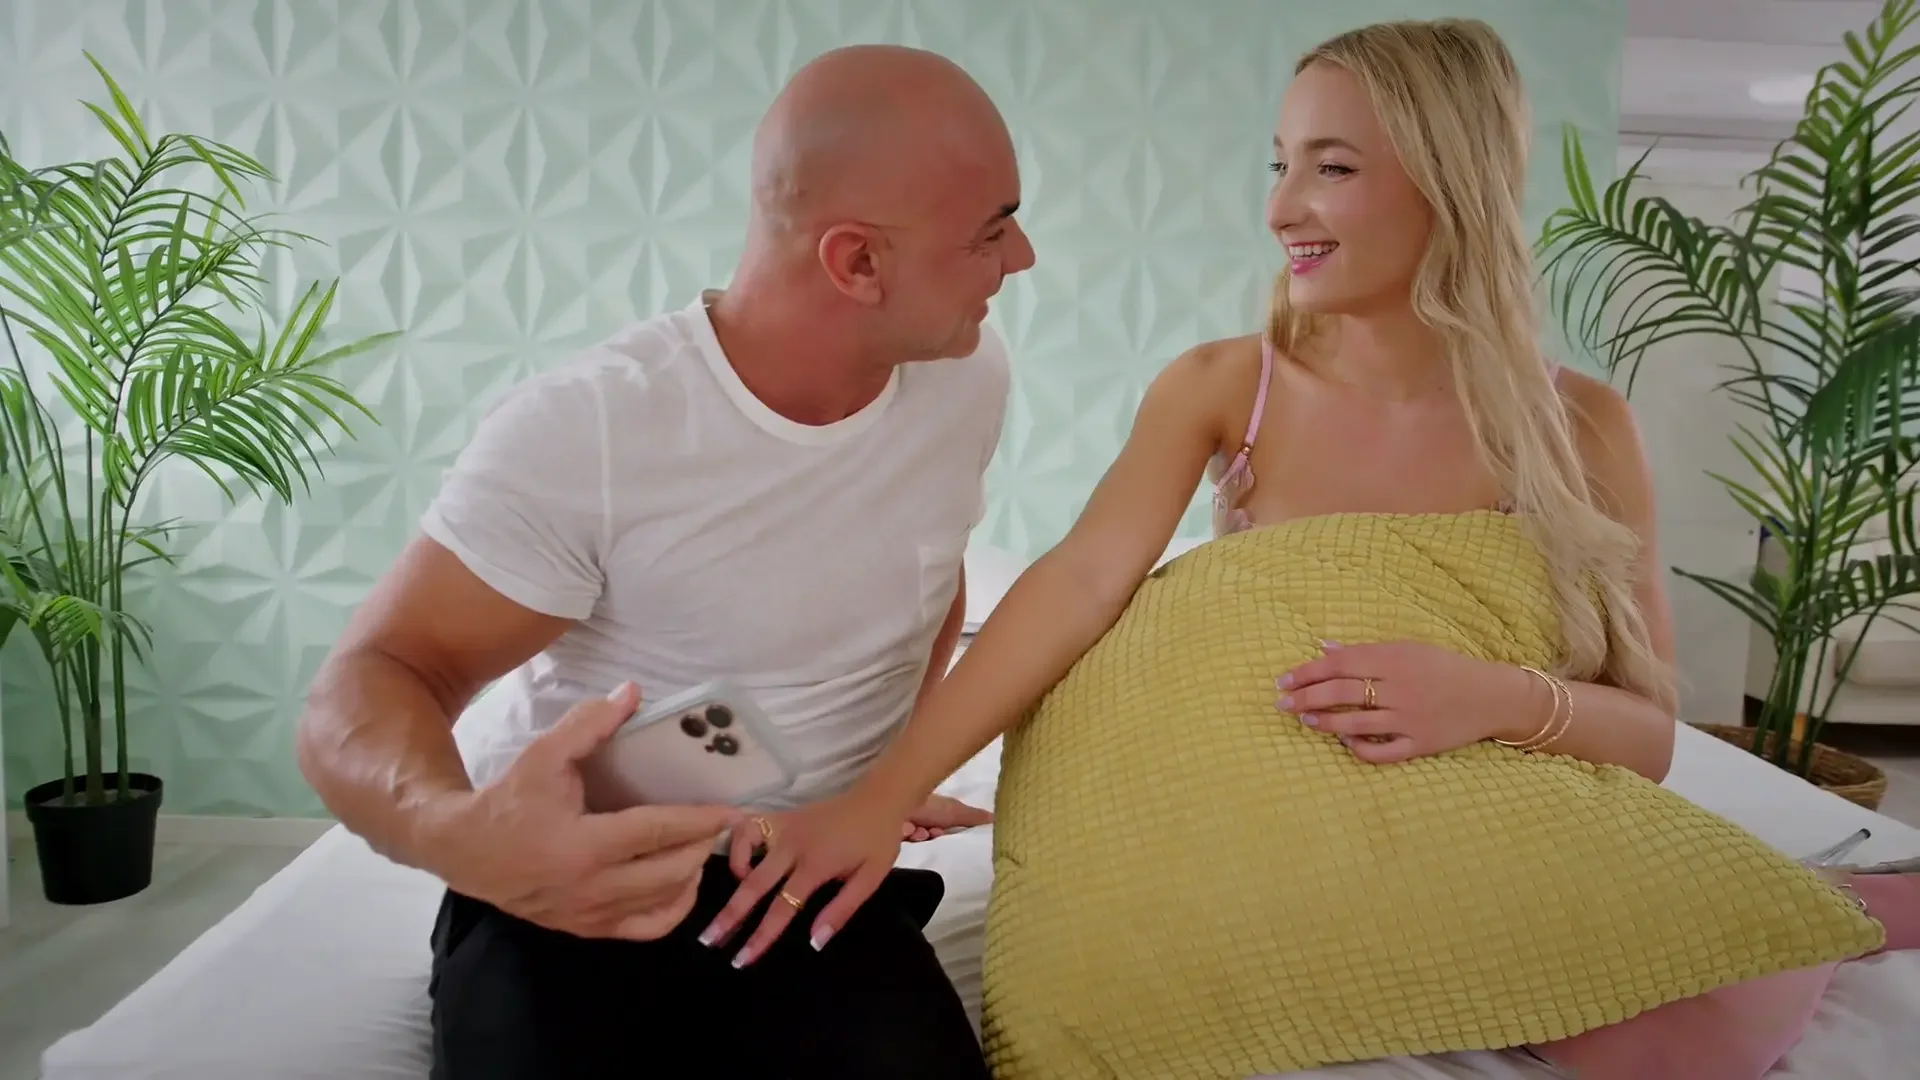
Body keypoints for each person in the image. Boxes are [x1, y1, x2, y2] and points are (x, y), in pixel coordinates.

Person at [701, 18, 1920, 1080]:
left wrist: (1491, 698)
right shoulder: (1228, 389)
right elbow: (1076, 586)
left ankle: (1841, 899)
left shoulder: (1581, 427)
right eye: (1280, 165)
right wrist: (883, 796)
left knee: (1706, 1025)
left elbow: (1649, 737)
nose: (1282, 207)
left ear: (1447, 180)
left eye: (1331, 167)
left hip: (1482, 788)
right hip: (1298, 812)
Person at [295, 43, 1033, 1080]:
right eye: (991, 232)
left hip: (799, 871)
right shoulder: (592, 429)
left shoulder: (964, 375)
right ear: (858, 263)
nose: (1022, 257)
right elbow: (375, 675)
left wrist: (889, 775)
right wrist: (464, 837)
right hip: (581, 881)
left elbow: (929, 570)